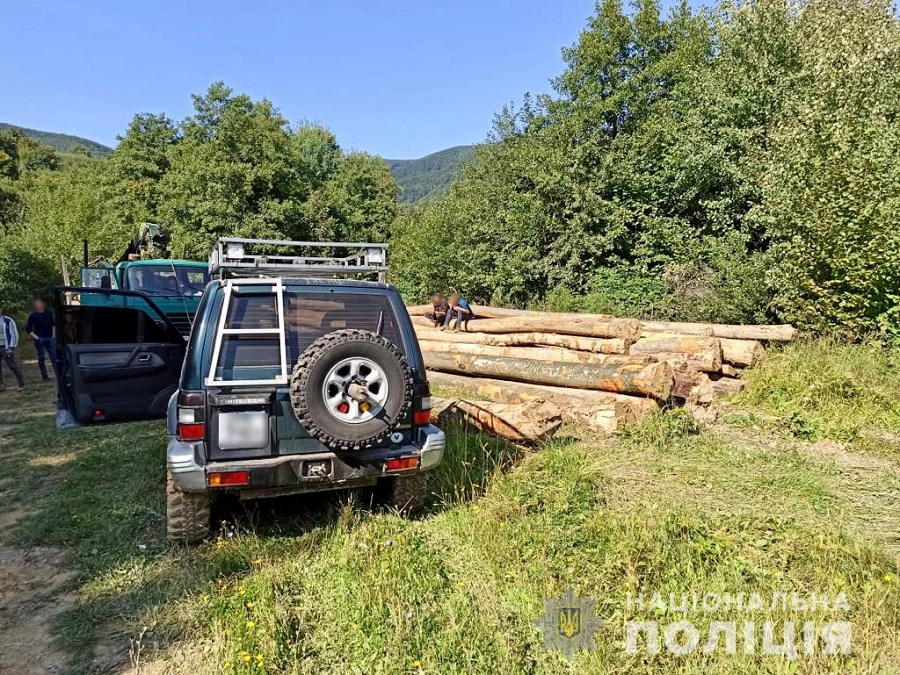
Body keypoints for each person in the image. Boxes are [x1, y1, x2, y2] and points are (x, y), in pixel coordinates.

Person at [26, 298, 58, 381]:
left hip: (50, 338)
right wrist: (37, 338)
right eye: (37, 304)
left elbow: (53, 325)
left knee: (54, 357)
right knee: (42, 358)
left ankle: (58, 374)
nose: (39, 305)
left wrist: (53, 336)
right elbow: (28, 329)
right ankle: (45, 376)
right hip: (40, 339)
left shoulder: (48, 313)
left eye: (40, 303)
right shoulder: (33, 316)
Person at [0, 307, 25, 391]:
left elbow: (14, 334)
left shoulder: (8, 320)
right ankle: (1, 384)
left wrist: (11, 347)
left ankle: (21, 383)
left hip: (6, 346)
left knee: (12, 365)